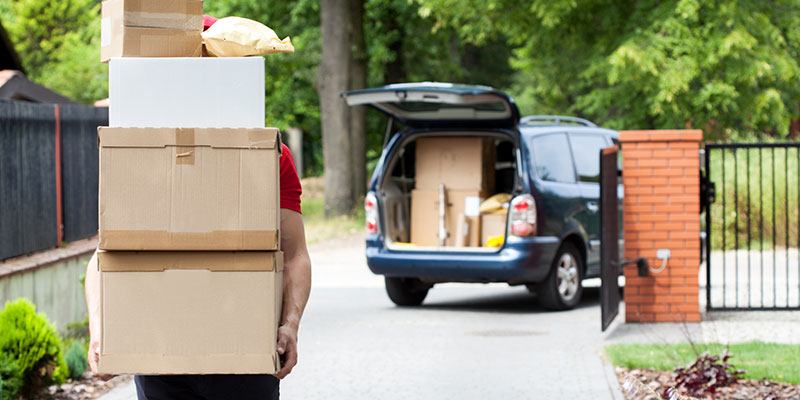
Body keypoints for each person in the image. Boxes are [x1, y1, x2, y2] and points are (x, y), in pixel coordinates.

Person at [84, 143, 312, 400]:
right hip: (160, 354)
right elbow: (105, 254)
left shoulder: (268, 154)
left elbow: (295, 255)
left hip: (247, 350)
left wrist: (290, 325)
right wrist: (100, 332)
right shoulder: (142, 153)